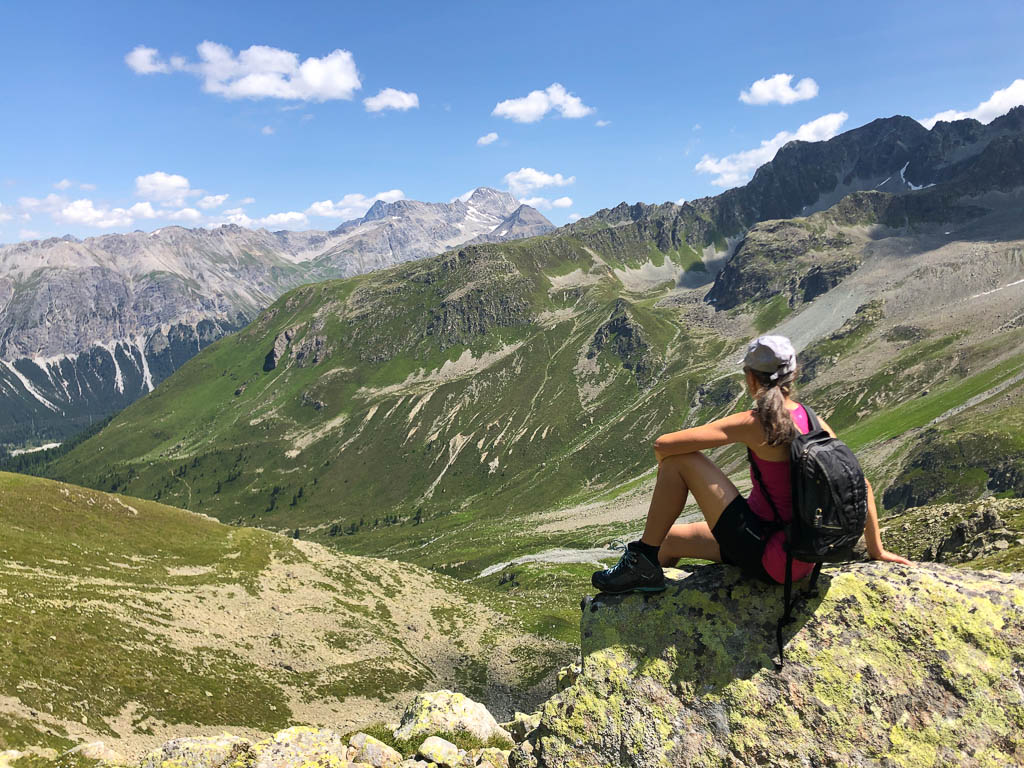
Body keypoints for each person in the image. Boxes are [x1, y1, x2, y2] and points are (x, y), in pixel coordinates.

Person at [592, 334, 911, 594]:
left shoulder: (756, 421)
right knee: (671, 537)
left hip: (768, 554)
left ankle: (641, 562)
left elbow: (663, 445)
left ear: (750, 377)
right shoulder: (812, 419)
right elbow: (860, 484)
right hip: (801, 555)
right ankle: (646, 577)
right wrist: (876, 550)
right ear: (793, 375)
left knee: (679, 462)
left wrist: (667, 468)